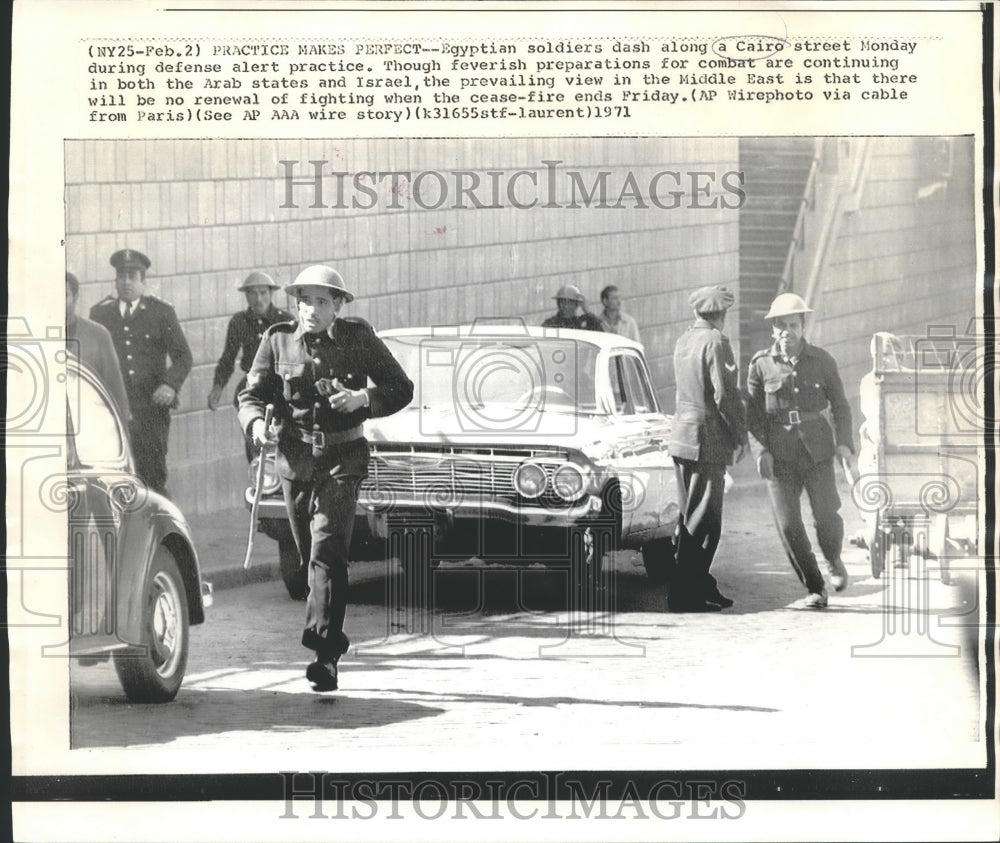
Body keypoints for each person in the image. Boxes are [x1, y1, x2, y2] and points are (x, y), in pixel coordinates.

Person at [238, 265, 413, 692]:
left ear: (338, 306)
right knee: (306, 556)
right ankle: (331, 638)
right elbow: (251, 395)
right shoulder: (277, 338)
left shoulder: (358, 338)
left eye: (321, 302)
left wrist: (363, 398)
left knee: (328, 550)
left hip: (343, 456)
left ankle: (325, 655)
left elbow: (400, 387)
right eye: (305, 301)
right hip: (295, 460)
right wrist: (258, 426)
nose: (311, 310)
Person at [746, 293, 856, 609]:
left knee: (826, 516)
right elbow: (752, 415)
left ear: (802, 327)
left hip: (817, 452)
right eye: (780, 326)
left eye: (792, 325)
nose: (786, 332)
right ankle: (815, 587)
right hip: (779, 457)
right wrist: (760, 451)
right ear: (772, 330)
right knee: (789, 525)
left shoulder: (823, 361)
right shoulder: (760, 365)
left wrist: (845, 444)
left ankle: (833, 559)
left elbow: (840, 406)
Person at [667, 285, 748, 612]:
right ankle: (685, 595)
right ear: (721, 314)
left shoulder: (684, 340)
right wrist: (740, 435)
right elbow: (725, 395)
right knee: (705, 523)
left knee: (689, 517)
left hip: (683, 436)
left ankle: (698, 585)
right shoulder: (716, 342)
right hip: (706, 440)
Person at [89, 249, 192, 496]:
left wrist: (169, 385)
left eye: (132, 276)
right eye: (121, 276)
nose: (126, 282)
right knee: (115, 474)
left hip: (150, 412)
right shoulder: (100, 314)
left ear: (143, 281)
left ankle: (156, 532)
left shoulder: (161, 313)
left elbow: (183, 356)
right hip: (113, 410)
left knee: (151, 476)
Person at [208, 271, 294, 459]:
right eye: (252, 294)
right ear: (246, 296)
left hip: (280, 390)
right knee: (256, 446)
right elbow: (227, 358)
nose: (258, 299)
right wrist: (217, 387)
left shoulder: (285, 320)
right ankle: (260, 484)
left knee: (283, 445)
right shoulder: (239, 321)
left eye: (263, 293)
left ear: (271, 294)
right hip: (254, 388)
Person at [65, 271, 130, 420]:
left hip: (90, 424)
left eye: (64, 295)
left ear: (75, 298)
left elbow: (115, 387)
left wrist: (123, 426)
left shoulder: (98, 335)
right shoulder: (38, 334)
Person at [541, 284, 606, 331]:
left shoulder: (582, 322)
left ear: (577, 304)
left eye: (570, 303)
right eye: (562, 302)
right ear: (558, 303)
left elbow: (600, 334)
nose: (565, 306)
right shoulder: (550, 323)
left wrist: (587, 311)